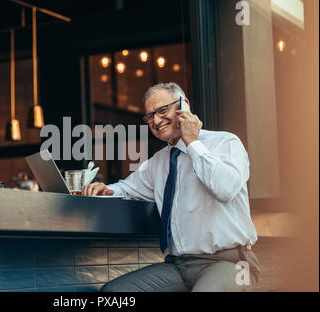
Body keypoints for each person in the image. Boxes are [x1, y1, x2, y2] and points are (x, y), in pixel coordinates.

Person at [82, 82, 260, 292]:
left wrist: (192, 142)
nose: (156, 121)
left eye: (162, 110)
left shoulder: (226, 143)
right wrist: (107, 190)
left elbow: (226, 188)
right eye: (149, 116)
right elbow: (127, 188)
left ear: (184, 106)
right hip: (180, 266)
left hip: (232, 263)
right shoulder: (159, 162)